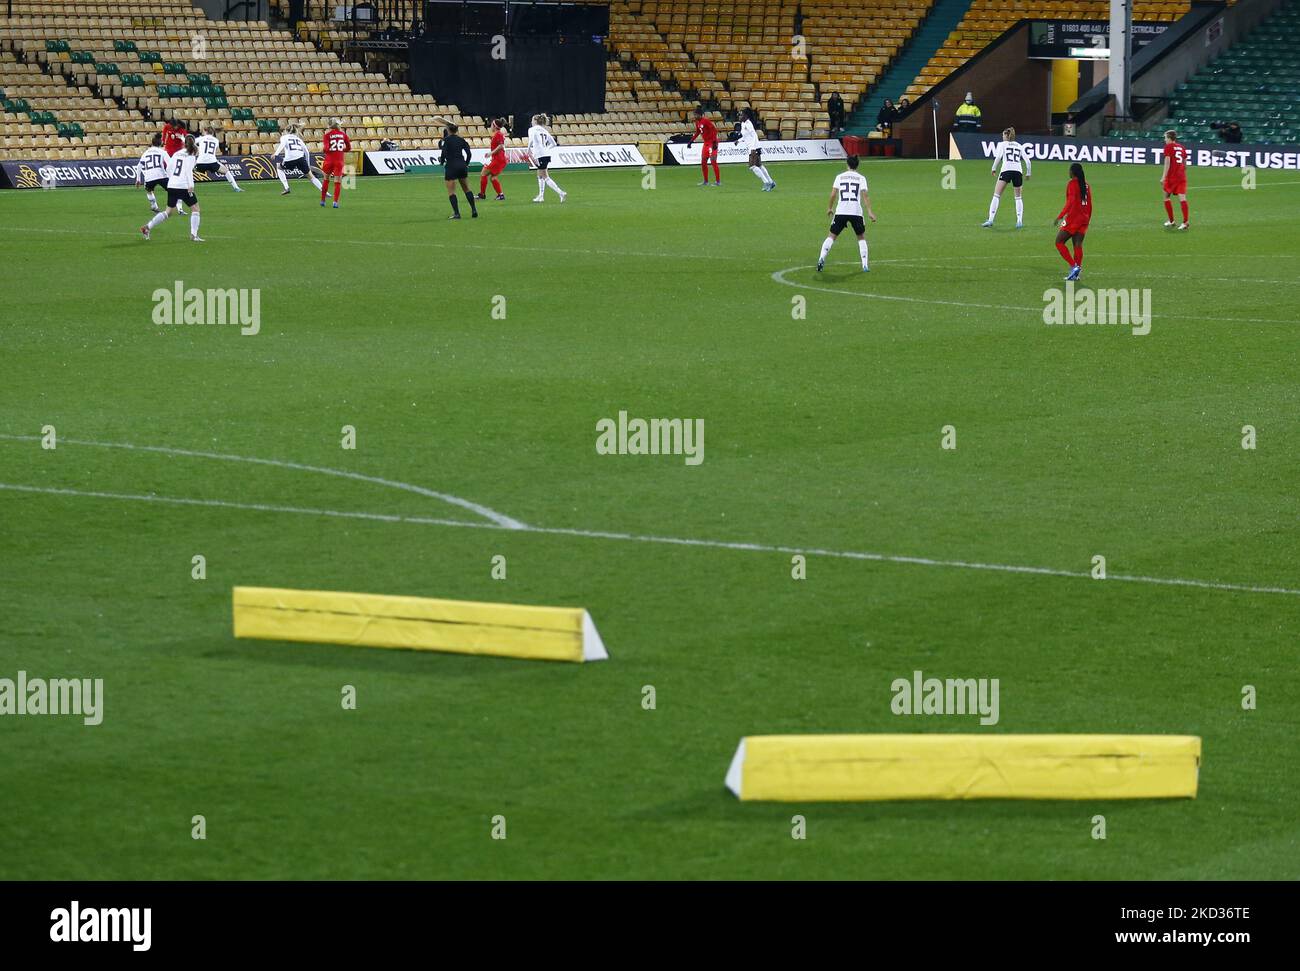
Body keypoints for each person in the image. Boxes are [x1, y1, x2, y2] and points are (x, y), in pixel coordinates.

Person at [816, 154, 876, 273]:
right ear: (857, 165)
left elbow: (833, 194)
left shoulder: (839, 177)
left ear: (847, 164)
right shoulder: (861, 178)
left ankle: (822, 257)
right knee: (861, 237)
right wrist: (870, 212)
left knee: (831, 236)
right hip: (856, 212)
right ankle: (864, 265)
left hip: (841, 211)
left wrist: (829, 208)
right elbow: (865, 196)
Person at [140, 133, 203, 242]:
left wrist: (173, 179)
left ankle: (148, 227)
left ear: (184, 143)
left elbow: (168, 168)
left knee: (168, 212)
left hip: (172, 185)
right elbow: (188, 171)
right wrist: (191, 185)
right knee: (195, 209)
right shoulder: (191, 155)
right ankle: (194, 235)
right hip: (183, 186)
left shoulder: (177, 153)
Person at [981, 126, 1030, 229]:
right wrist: (1028, 173)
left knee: (996, 195)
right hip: (1018, 171)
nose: (1002, 137)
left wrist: (993, 168)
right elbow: (1028, 161)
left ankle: (990, 219)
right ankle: (1019, 221)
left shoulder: (1002, 145)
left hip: (1006, 170)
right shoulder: (1019, 145)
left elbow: (998, 157)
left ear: (1007, 136)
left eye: (1003, 135)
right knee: (1018, 197)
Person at [1054, 162, 1091, 282]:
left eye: (1069, 170)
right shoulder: (1086, 185)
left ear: (1073, 172)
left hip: (1074, 218)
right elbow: (1090, 204)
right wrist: (1087, 219)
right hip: (1084, 219)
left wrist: (1060, 216)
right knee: (1078, 245)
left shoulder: (1072, 184)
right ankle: (1076, 274)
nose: (1068, 172)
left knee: (1059, 242)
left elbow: (1070, 202)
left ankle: (1073, 266)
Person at [438, 122, 477, 219]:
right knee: (466, 189)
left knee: (451, 191)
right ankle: (474, 209)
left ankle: (456, 213)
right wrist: (466, 164)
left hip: (451, 166)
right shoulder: (461, 140)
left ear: (448, 130)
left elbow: (444, 154)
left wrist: (442, 162)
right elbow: (469, 153)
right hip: (461, 165)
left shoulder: (446, 140)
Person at [273, 123, 324, 195]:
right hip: (300, 159)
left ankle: (286, 188)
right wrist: (308, 164)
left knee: (279, 166)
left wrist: (276, 153)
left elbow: (282, 145)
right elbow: (306, 152)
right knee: (310, 176)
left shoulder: (284, 137)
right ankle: (325, 192)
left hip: (290, 160)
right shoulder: (299, 139)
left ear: (286, 131)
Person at [527, 113, 566, 203]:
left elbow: (531, 139)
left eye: (532, 120)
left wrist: (528, 150)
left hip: (540, 155)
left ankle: (561, 193)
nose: (531, 122)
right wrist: (545, 149)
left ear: (535, 121)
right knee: (539, 174)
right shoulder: (544, 130)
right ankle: (541, 196)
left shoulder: (532, 129)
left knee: (545, 176)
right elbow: (554, 143)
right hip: (546, 155)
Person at [195, 124, 243, 192]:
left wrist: (197, 148)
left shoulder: (201, 138)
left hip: (200, 163)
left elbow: (189, 142)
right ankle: (236, 188)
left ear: (205, 131)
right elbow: (215, 150)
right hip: (212, 163)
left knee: (189, 171)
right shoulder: (216, 140)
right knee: (226, 171)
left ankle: (184, 188)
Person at [738, 107, 775, 191]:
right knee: (759, 165)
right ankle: (771, 182)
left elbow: (754, 135)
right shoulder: (743, 124)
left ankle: (766, 183)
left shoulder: (748, 124)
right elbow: (745, 136)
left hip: (754, 147)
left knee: (752, 166)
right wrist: (738, 141)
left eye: (741, 115)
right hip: (754, 147)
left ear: (746, 116)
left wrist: (753, 148)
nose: (739, 117)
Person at [1160, 129, 1189, 230]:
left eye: (1165, 138)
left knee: (1166, 197)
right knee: (1182, 198)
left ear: (1169, 138)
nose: (1165, 140)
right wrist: (1181, 170)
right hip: (1181, 176)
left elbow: (1167, 162)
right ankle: (1185, 222)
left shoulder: (1168, 147)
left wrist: (1163, 176)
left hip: (1172, 176)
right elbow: (1185, 163)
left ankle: (1171, 221)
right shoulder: (1182, 147)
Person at [320, 117, 351, 208]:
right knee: (337, 181)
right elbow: (349, 148)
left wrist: (325, 151)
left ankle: (322, 200)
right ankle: (335, 202)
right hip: (339, 160)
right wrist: (341, 150)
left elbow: (325, 148)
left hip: (329, 160)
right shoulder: (343, 135)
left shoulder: (327, 135)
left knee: (326, 179)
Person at [135, 133, 170, 213]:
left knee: (149, 191)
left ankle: (154, 206)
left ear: (152, 143)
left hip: (149, 177)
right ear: (160, 143)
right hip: (162, 176)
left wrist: (138, 179)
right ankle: (177, 208)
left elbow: (139, 166)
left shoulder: (146, 153)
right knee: (172, 190)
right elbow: (170, 164)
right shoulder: (162, 152)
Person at [689, 106, 721, 187]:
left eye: (696, 115)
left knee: (713, 161)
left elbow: (714, 130)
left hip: (712, 142)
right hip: (706, 143)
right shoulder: (697, 122)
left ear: (700, 114)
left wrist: (714, 142)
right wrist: (691, 141)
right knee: (703, 162)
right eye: (694, 115)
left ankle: (718, 182)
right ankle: (705, 181)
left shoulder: (706, 121)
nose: (695, 116)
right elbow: (697, 132)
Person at [477, 117, 507, 201]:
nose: (490, 126)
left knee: (483, 173)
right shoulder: (498, 134)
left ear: (494, 126)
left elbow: (501, 146)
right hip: (499, 159)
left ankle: (482, 195)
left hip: (498, 159)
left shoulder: (499, 134)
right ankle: (501, 195)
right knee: (493, 178)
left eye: (491, 124)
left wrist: (490, 153)